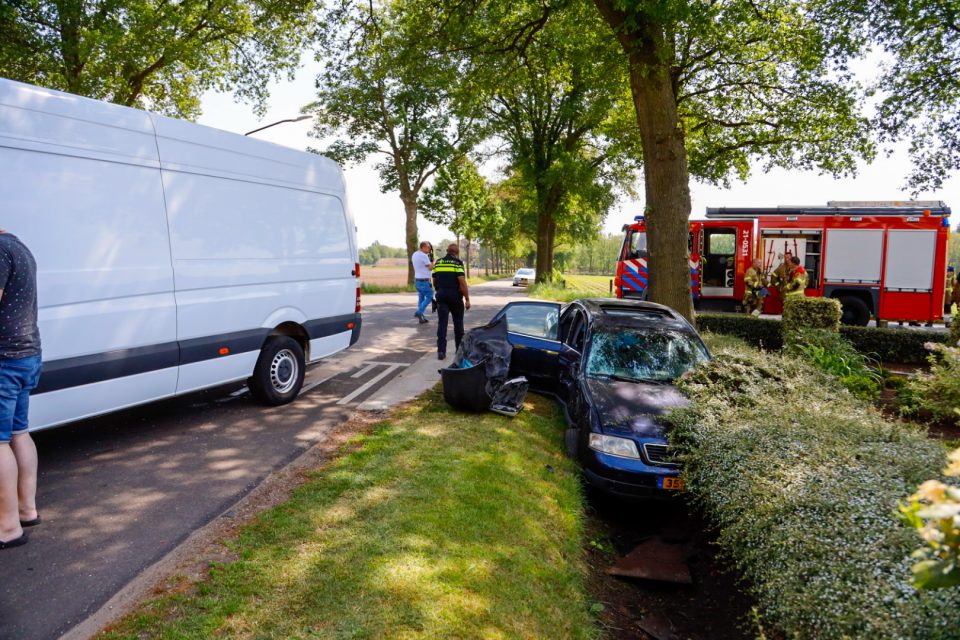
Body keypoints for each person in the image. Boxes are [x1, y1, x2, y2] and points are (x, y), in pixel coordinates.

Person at [0, 231, 42, 550]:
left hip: (3, 359)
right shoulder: (18, 244)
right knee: (19, 432)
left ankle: (8, 527)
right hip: (27, 354)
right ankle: (27, 510)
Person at [432, 243, 471, 360]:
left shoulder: (438, 262)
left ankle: (441, 352)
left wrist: (439, 290)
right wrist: (467, 299)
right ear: (457, 253)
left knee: (442, 324)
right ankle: (459, 351)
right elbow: (462, 283)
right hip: (455, 296)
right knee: (458, 324)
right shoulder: (457, 263)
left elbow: (434, 280)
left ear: (447, 251)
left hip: (441, 296)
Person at [411, 241, 435, 324]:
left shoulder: (415, 254)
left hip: (417, 280)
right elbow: (430, 268)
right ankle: (419, 312)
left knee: (421, 298)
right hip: (424, 281)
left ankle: (421, 318)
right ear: (423, 247)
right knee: (430, 296)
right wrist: (433, 261)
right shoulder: (424, 256)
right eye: (428, 247)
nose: (429, 249)